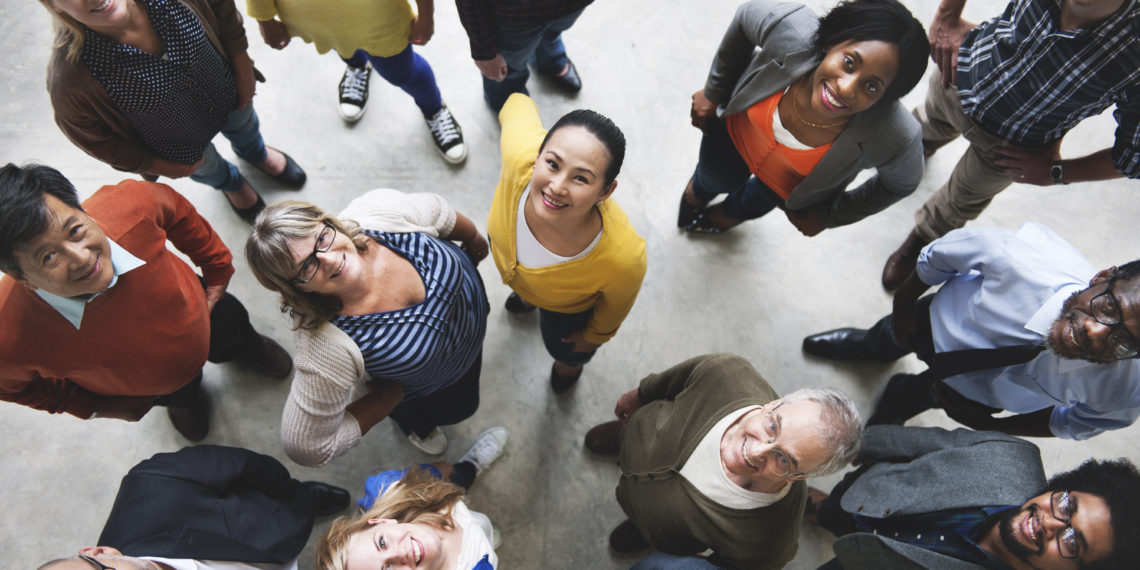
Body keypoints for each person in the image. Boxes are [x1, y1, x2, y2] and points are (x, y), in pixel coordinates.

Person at [0, 164, 291, 442]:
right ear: (22, 277)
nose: (82, 258)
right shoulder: (7, 335)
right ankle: (184, 400)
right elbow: (13, 388)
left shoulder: (129, 204)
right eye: (48, 257)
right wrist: (97, 408)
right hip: (149, 386)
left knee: (235, 333)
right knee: (177, 393)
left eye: (75, 230)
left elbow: (177, 211)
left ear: (83, 212)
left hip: (206, 311)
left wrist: (217, 268)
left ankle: (248, 349)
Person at [880, 0, 1140, 290]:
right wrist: (947, 15)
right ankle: (911, 157)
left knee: (960, 199)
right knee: (925, 127)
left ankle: (921, 238)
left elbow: (1134, 154)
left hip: (1014, 147)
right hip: (963, 73)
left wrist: (1058, 173)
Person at [803, 223, 1140, 440]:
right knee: (887, 336)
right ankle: (870, 346)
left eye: (1125, 341)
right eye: (1109, 306)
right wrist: (902, 307)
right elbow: (939, 257)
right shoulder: (1019, 259)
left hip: (977, 396)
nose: (1096, 333)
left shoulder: (1127, 391)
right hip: (932, 325)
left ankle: (898, 401)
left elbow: (1074, 423)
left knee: (922, 397)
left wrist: (994, 426)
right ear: (1101, 278)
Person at [246, 189, 490, 464]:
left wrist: (473, 238)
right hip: (439, 387)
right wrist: (384, 402)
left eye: (322, 239)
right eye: (306, 268)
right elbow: (307, 447)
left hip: (473, 337)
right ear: (295, 289)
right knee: (459, 409)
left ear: (328, 223)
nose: (328, 259)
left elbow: (439, 212)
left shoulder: (379, 213)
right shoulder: (324, 344)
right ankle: (416, 427)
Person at [583, 353, 862, 569]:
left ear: (800, 477)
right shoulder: (728, 374)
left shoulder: (771, 539)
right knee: (628, 436)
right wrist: (638, 398)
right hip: (637, 433)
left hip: (657, 530)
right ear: (775, 403)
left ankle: (642, 529)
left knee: (652, 526)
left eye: (784, 460)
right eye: (772, 427)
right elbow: (671, 382)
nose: (755, 453)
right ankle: (623, 437)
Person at [41, 0, 307, 223]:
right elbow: (96, 142)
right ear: (54, 5)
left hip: (227, 90)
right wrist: (159, 165)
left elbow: (220, 7)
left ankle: (254, 152)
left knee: (246, 127)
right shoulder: (71, 82)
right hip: (180, 144)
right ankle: (229, 182)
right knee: (208, 168)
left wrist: (242, 63)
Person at [678, 0, 929, 235]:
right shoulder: (790, 29)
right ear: (834, 42)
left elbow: (901, 183)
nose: (846, 88)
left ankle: (731, 212)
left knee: (755, 201)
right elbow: (746, 16)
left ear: (886, 98)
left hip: (785, 188)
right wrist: (715, 92)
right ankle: (699, 193)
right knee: (714, 176)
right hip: (733, 134)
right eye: (850, 62)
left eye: (872, 87)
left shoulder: (895, 136)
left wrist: (829, 217)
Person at [808, 425, 1140, 569]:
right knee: (834, 510)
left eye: (1072, 541)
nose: (1050, 521)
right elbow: (923, 442)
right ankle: (822, 512)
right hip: (868, 493)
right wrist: (856, 444)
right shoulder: (1013, 456)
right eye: (1068, 504)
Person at [488, 93, 646, 393]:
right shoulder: (518, 153)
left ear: (606, 191)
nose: (556, 187)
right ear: (537, 154)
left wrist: (593, 338)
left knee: (567, 350)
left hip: (566, 312)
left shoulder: (623, 257)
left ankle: (568, 367)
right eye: (552, 163)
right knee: (526, 289)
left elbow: (616, 307)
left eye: (581, 179)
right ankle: (526, 298)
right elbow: (516, 103)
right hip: (518, 273)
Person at [37, 445, 350, 570]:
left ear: (101, 553)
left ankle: (305, 501)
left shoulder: (155, 482)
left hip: (277, 527)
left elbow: (249, 467)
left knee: (296, 503)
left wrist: (290, 494)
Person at [247, 0, 467, 164]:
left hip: (380, 18)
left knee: (402, 72)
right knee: (342, 46)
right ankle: (358, 66)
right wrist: (264, 19)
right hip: (314, 18)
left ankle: (434, 109)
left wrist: (426, 15)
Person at [315, 426, 510, 570]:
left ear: (381, 521)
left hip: (447, 496)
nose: (401, 553)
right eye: (387, 569)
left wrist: (440, 471)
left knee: (459, 480)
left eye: (382, 543)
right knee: (482, 534)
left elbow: (430, 473)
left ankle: (471, 464)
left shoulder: (393, 488)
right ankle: (484, 541)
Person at [455, 0, 594, 111]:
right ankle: (506, 100)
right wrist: (485, 49)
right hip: (516, 14)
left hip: (572, 4)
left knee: (552, 32)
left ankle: (548, 57)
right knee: (508, 68)